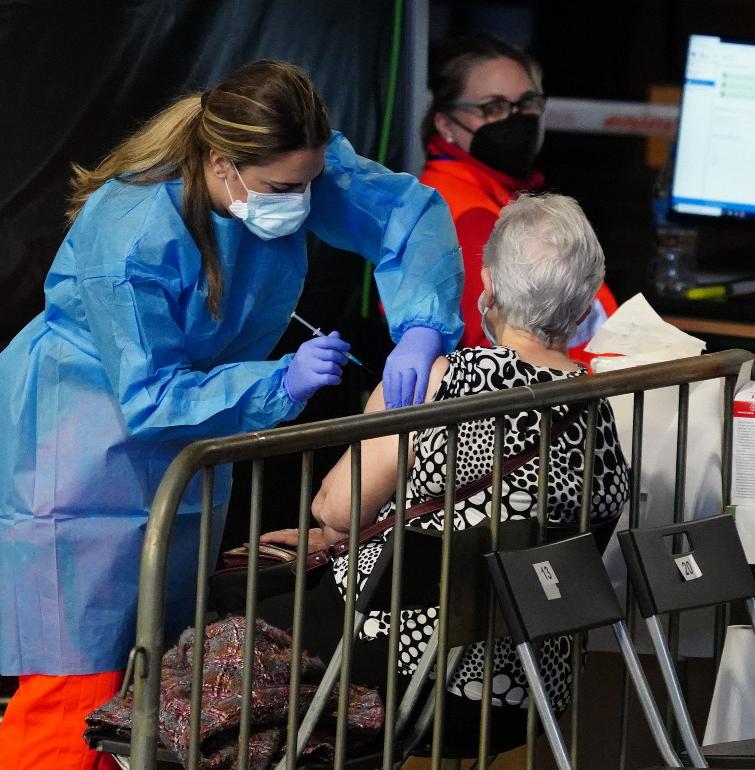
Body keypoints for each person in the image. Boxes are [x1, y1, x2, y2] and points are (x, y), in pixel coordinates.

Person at [0, 60, 463, 769]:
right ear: (221, 163)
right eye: (283, 190)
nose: (300, 203)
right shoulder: (130, 235)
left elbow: (403, 213)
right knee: (76, 680)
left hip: (195, 438)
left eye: (309, 183)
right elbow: (148, 397)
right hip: (78, 443)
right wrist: (279, 383)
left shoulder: (289, 168)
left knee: (162, 680)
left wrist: (423, 324)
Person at [262, 193, 630, 753]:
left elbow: (334, 508)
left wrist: (340, 531)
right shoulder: (601, 409)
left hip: (401, 678)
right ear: (584, 312)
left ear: (486, 287)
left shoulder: (439, 384)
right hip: (529, 695)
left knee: (229, 630)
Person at [420, 33, 618, 350]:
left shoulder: (495, 195)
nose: (514, 118)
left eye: (526, 103)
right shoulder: (467, 216)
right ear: (445, 124)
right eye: (493, 107)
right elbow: (503, 352)